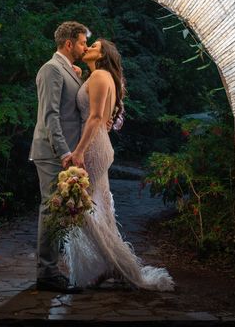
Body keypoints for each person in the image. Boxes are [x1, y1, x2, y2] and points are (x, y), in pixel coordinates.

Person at [65, 38, 176, 291]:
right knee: (98, 207)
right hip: (98, 143)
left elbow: (94, 118)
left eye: (93, 46)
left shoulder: (101, 76)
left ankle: (115, 263)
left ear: (103, 55)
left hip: (92, 147)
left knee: (81, 207)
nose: (88, 48)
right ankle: (110, 264)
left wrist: (79, 151)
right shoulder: (100, 77)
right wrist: (80, 77)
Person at [30, 21, 90, 293]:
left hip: (64, 151)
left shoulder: (66, 70)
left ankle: (51, 270)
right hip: (52, 152)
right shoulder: (51, 69)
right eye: (81, 42)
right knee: (50, 208)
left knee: (57, 211)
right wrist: (65, 152)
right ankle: (47, 274)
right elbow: (50, 115)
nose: (84, 47)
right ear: (69, 44)